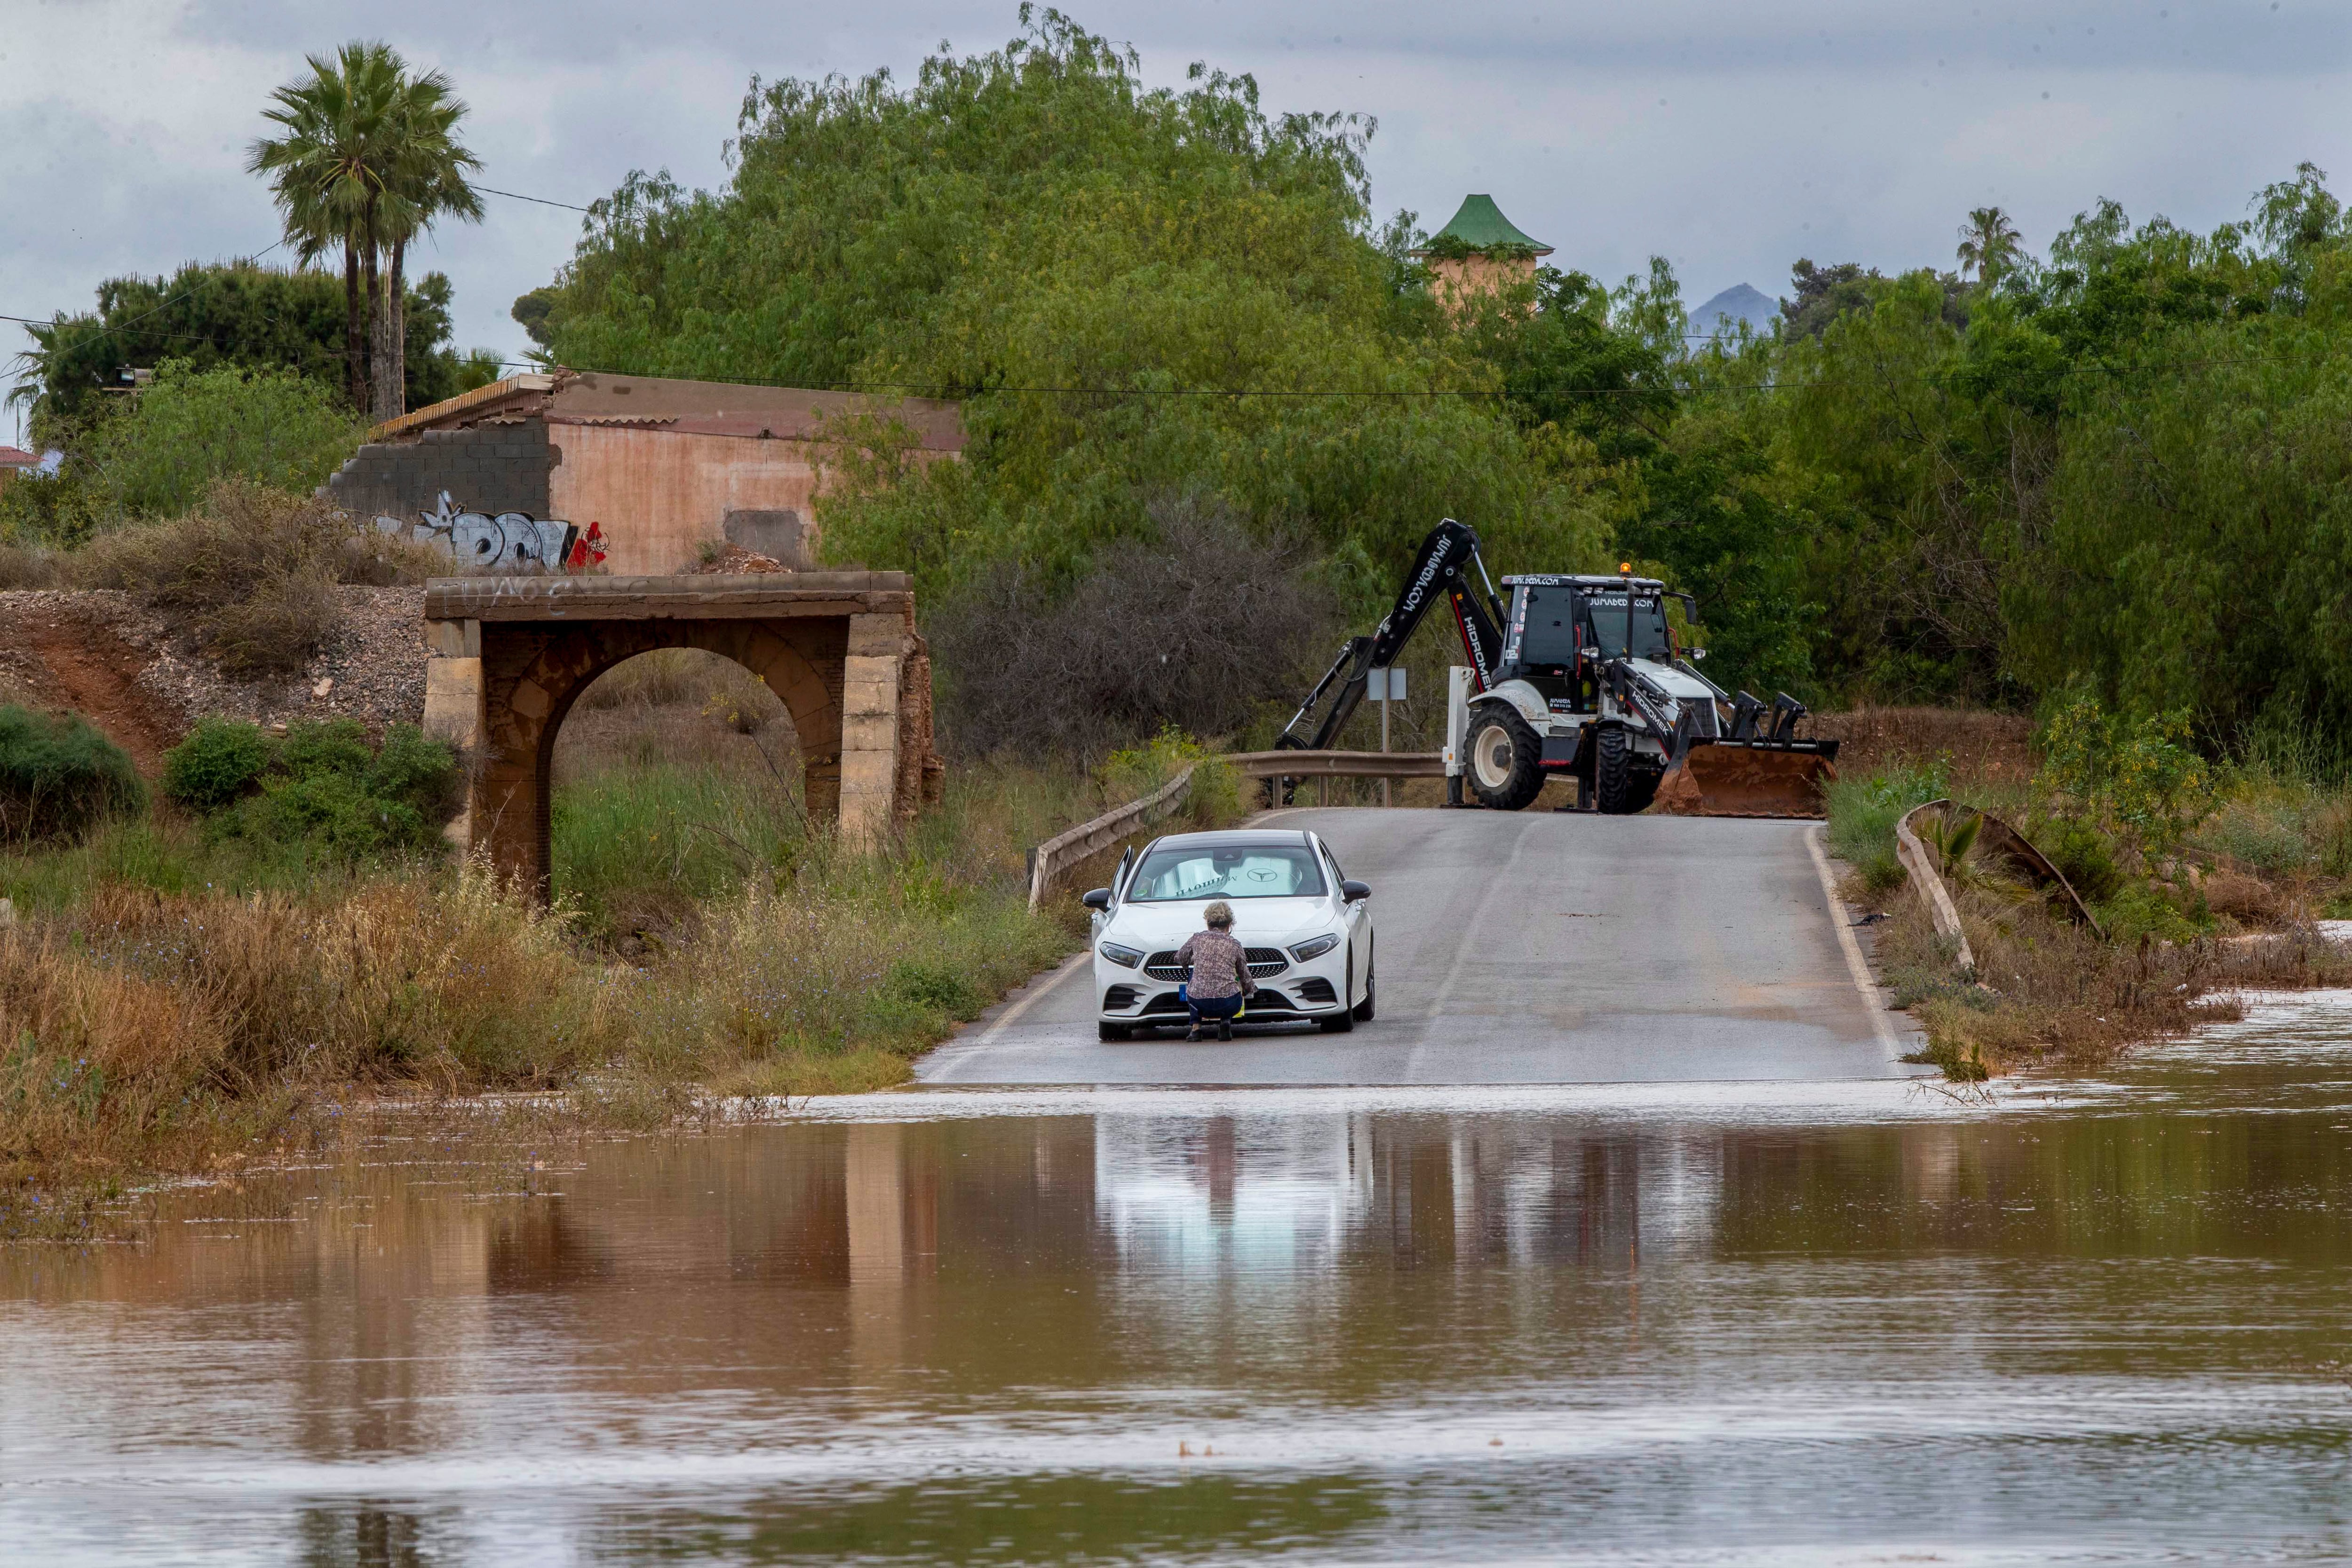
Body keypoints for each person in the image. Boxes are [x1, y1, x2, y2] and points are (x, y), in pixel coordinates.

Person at [1176, 901, 1256, 1042]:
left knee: (1192, 975)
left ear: (1208, 923)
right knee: (1234, 977)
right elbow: (1244, 975)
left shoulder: (1197, 938)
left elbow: (1180, 957)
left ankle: (1196, 1029)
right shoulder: (1235, 944)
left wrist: (1192, 961)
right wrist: (1250, 990)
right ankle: (1225, 1023)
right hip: (1229, 1004)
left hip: (1199, 1003)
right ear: (1230, 925)